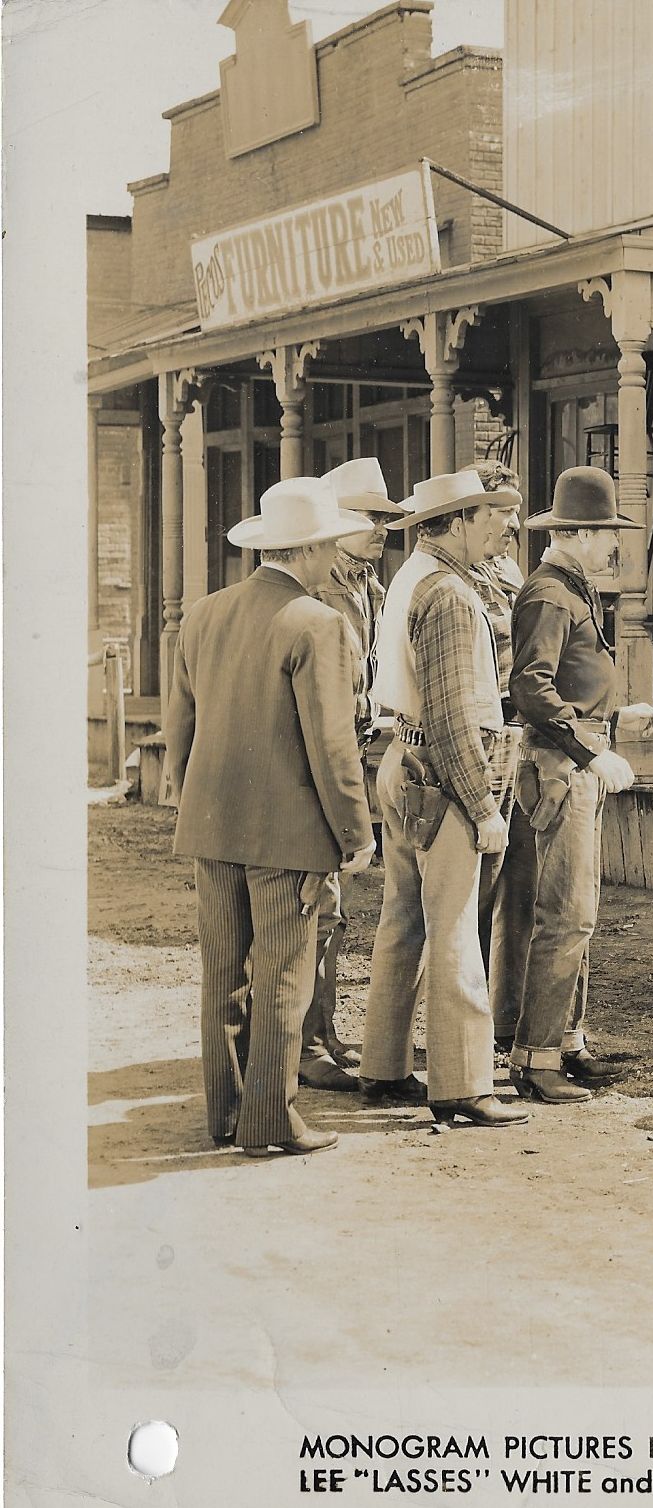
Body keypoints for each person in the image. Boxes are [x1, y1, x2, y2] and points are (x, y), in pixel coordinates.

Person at [165, 477, 376, 1156]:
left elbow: (182, 729)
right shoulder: (318, 623)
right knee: (285, 974)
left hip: (212, 823)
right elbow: (332, 744)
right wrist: (354, 834)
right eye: (331, 545)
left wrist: (186, 797)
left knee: (223, 975)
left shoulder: (203, 614)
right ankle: (271, 1123)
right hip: (288, 833)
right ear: (312, 549)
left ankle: (223, 1117)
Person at [357, 469, 530, 1128]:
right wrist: (483, 805)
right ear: (456, 521)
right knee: (456, 925)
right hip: (442, 768)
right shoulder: (453, 594)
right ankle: (461, 1083)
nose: (499, 526)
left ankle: (384, 1065)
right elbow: (455, 713)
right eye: (487, 515)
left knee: (402, 921)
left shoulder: (408, 577)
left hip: (402, 759)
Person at [507, 467, 650, 1103]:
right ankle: (536, 1059)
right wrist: (591, 750)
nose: (611, 544)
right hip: (561, 767)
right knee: (566, 914)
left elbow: (566, 682)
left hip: (575, 756)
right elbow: (532, 688)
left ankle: (566, 1041)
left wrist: (614, 720)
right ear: (574, 533)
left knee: (579, 913)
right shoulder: (549, 593)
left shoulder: (570, 588)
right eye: (602, 533)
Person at [303, 456, 404, 1088]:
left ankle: (324, 1031)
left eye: (386, 519)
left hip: (363, 750)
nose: (381, 530)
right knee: (318, 900)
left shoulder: (373, 586)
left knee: (335, 902)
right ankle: (307, 1042)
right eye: (369, 517)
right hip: (322, 757)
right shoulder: (316, 590)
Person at [464, 459, 534, 1052]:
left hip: (521, 737)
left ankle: (507, 1018)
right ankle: (469, 1029)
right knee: (478, 888)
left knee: (519, 887)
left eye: (514, 511)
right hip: (482, 742)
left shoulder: (509, 570)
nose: (511, 523)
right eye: (500, 511)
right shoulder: (458, 578)